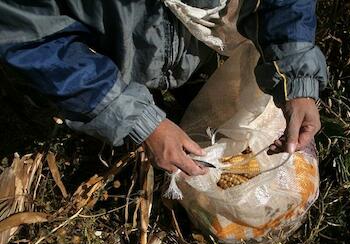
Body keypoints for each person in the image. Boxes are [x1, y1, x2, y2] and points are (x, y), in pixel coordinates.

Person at [0, 0, 327, 176]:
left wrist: (297, 77)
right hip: (92, 63)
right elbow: (34, 37)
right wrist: (140, 122)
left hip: (192, 50)